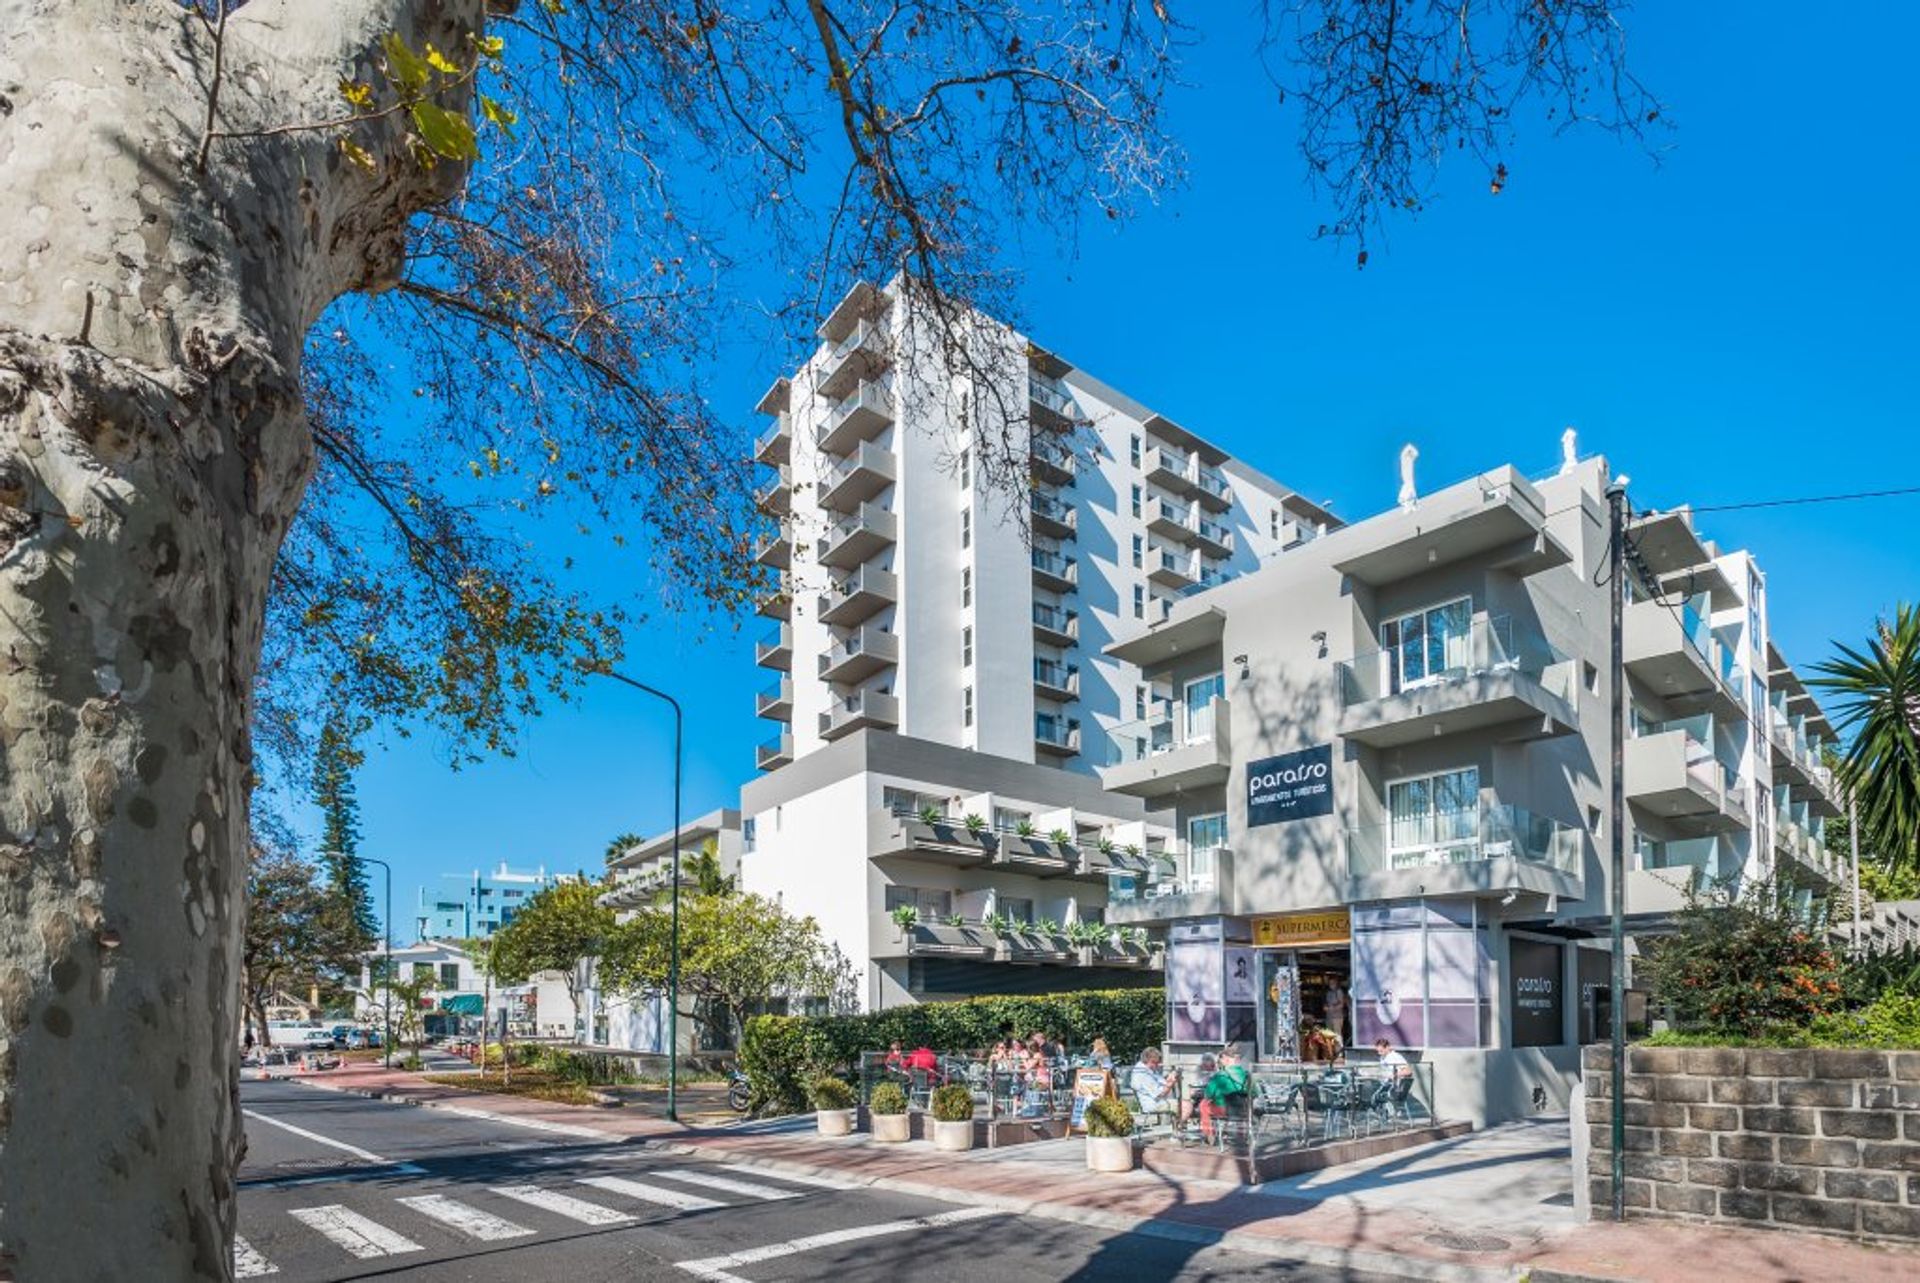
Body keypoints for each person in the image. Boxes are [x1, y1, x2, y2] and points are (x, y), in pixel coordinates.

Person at [1198, 1047, 1251, 1144]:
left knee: (1203, 1104)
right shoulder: (1247, 1075)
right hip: (1245, 1109)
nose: (1219, 1063)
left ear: (1226, 1059)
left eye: (1220, 1060)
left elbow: (1208, 1094)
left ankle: (1209, 1135)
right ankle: (1241, 1135)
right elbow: (1255, 1093)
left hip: (1225, 1110)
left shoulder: (1220, 1075)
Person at [1128, 1047, 1185, 1124]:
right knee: (1184, 1105)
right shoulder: (1143, 1074)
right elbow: (1160, 1094)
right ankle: (1178, 1129)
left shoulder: (1149, 1069)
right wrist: (1171, 1083)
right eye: (1156, 1063)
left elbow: (1161, 1081)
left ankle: (1177, 1127)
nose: (1157, 1065)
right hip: (1152, 1104)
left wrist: (1170, 1078)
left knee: (1184, 1102)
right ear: (1149, 1060)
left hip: (1157, 1101)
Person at [1324, 977, 1348, 1044]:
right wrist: (1325, 1007)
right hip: (1329, 1017)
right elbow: (1327, 1003)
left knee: (1337, 1035)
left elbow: (1342, 1004)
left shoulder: (1339, 992)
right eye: (1330, 983)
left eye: (1333, 983)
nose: (1331, 984)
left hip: (1337, 1017)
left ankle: (1339, 1052)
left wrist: (1332, 1008)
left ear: (1336, 983)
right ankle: (1331, 1052)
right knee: (1329, 1035)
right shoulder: (1328, 993)